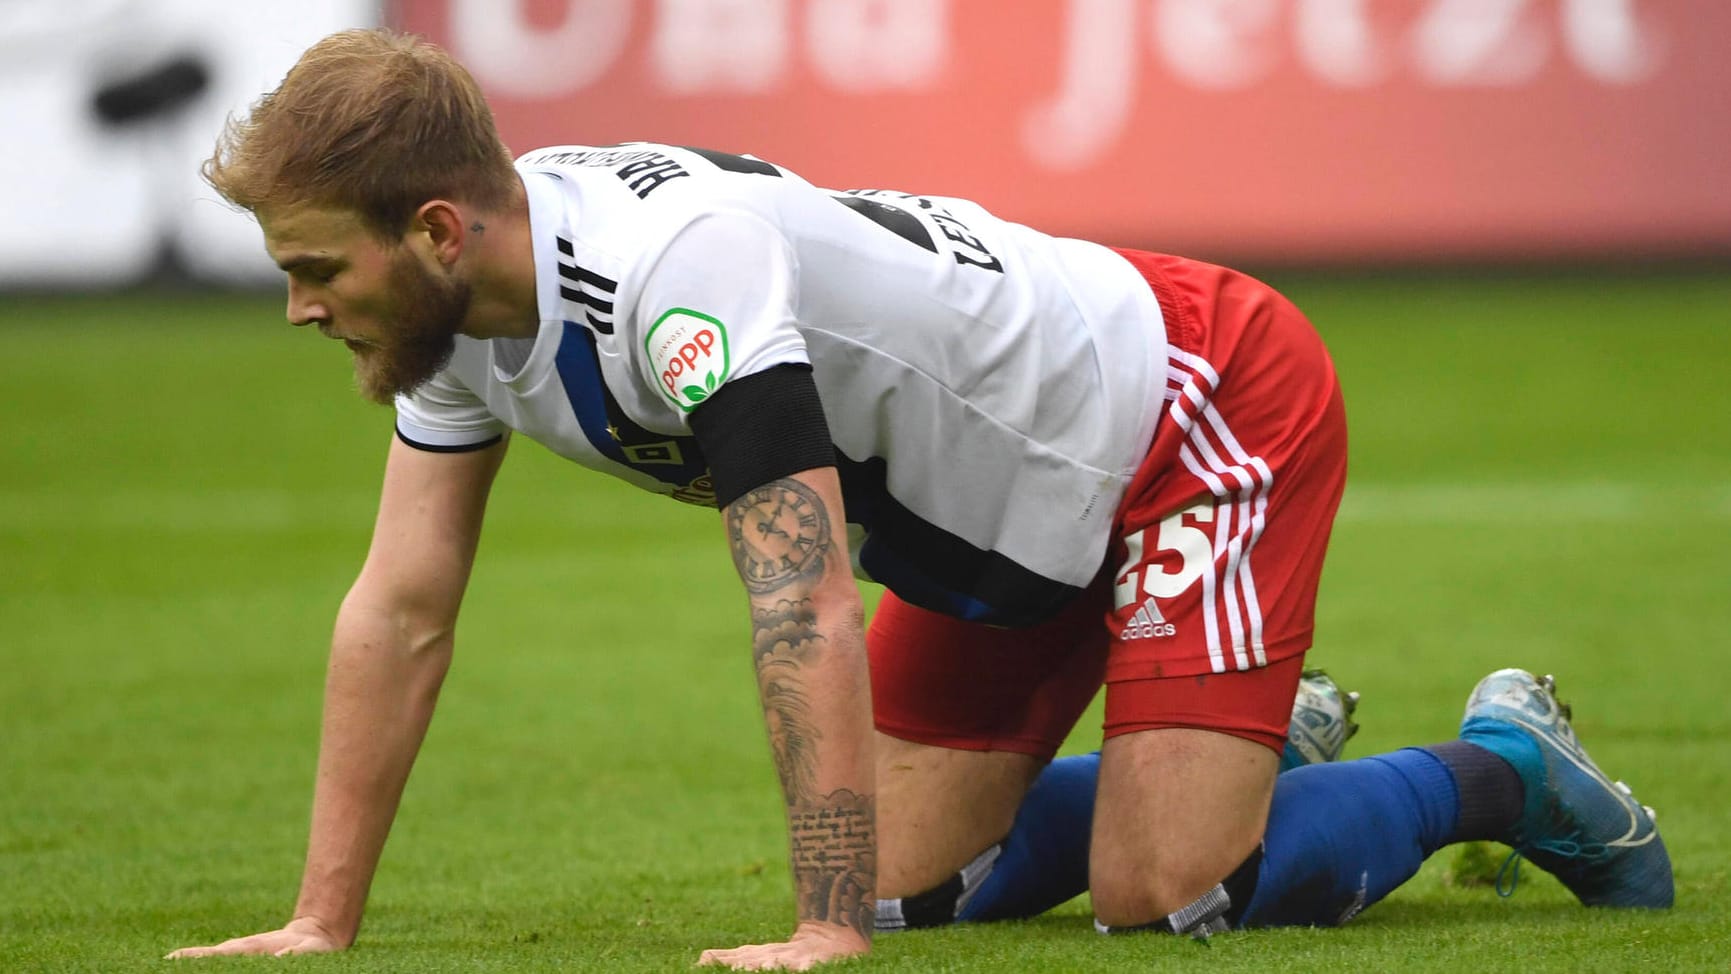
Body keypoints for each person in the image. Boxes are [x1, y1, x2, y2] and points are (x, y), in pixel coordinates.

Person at [169, 29, 1672, 970]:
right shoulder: (453, 325)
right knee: (909, 894)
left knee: (1166, 899)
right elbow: (405, 605)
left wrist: (811, 927)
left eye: (314, 269)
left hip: (1183, 413)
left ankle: (1497, 769)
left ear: (436, 227)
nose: (301, 308)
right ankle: (1237, 732)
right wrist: (322, 918)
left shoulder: (667, 281)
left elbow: (801, 587)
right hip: (987, 533)